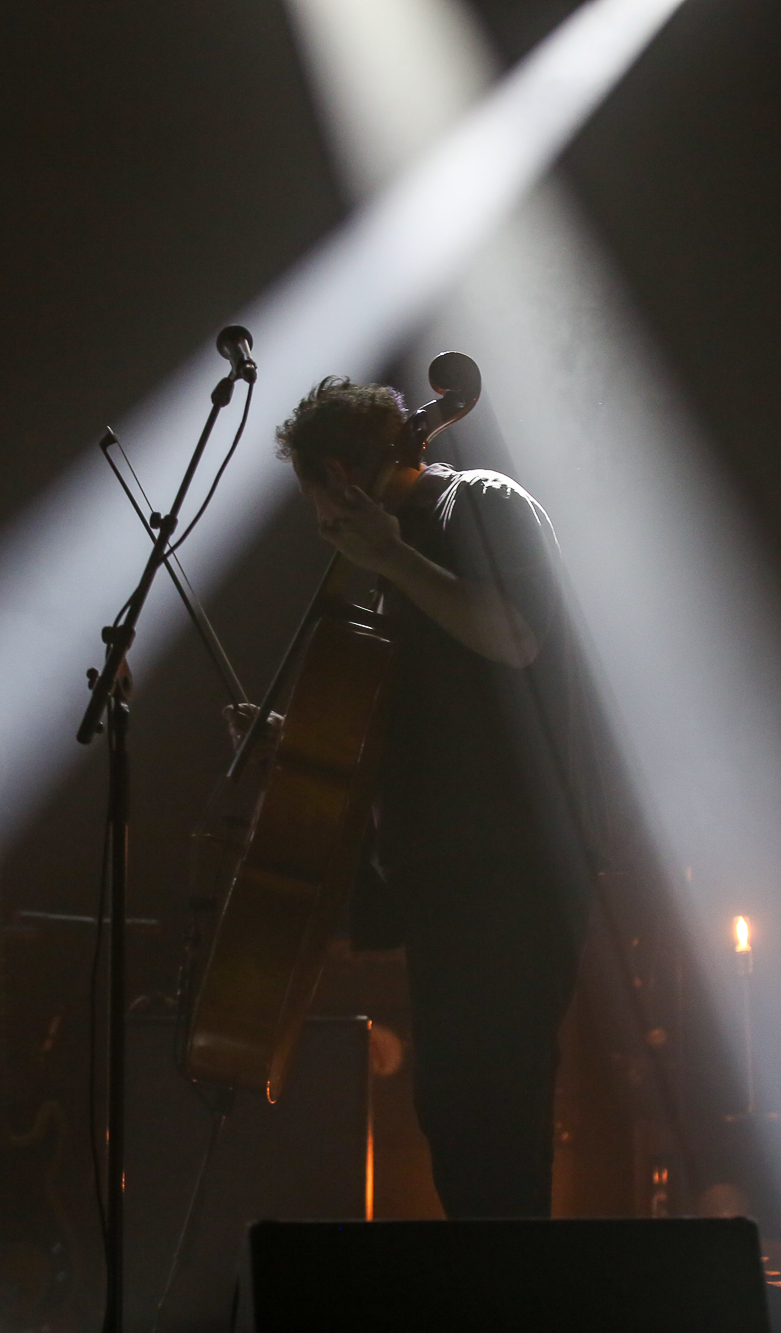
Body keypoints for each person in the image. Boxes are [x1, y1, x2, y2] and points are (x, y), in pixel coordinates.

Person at [264, 376, 590, 1218]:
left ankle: (511, 1283)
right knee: (451, 1108)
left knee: (498, 1103)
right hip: (447, 876)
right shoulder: (398, 548)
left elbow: (516, 635)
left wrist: (392, 561)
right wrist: (296, 741)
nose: (320, 522)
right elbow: (413, 713)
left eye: (314, 498)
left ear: (340, 475)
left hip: (512, 866)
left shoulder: (480, 502)